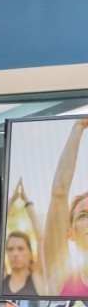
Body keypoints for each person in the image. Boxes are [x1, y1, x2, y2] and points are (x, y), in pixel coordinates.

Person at [41, 121, 88, 295]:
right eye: (83, 216)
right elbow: (58, 193)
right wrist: (78, 127)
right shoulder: (62, 279)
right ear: (70, 232)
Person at [2, 228, 49, 298]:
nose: (15, 254)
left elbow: (41, 239)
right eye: (10, 249)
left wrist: (32, 216)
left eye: (20, 248)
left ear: (30, 253)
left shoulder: (37, 279)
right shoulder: (2, 278)